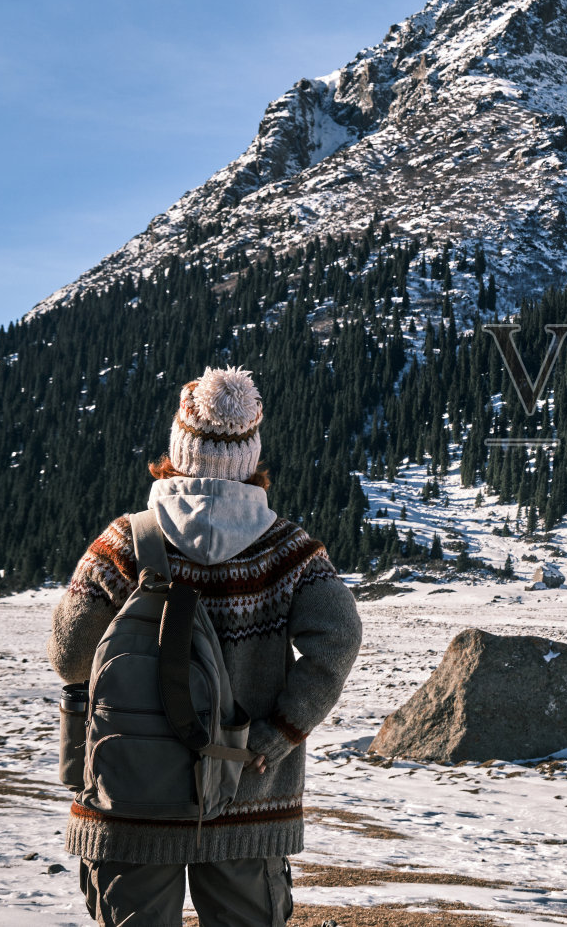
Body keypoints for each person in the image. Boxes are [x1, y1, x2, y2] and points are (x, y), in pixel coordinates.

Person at [47, 366, 362, 926]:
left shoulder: (124, 542)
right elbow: (338, 641)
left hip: (130, 793)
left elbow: (70, 653)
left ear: (178, 447)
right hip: (249, 787)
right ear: (251, 456)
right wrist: (280, 733)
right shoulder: (290, 550)